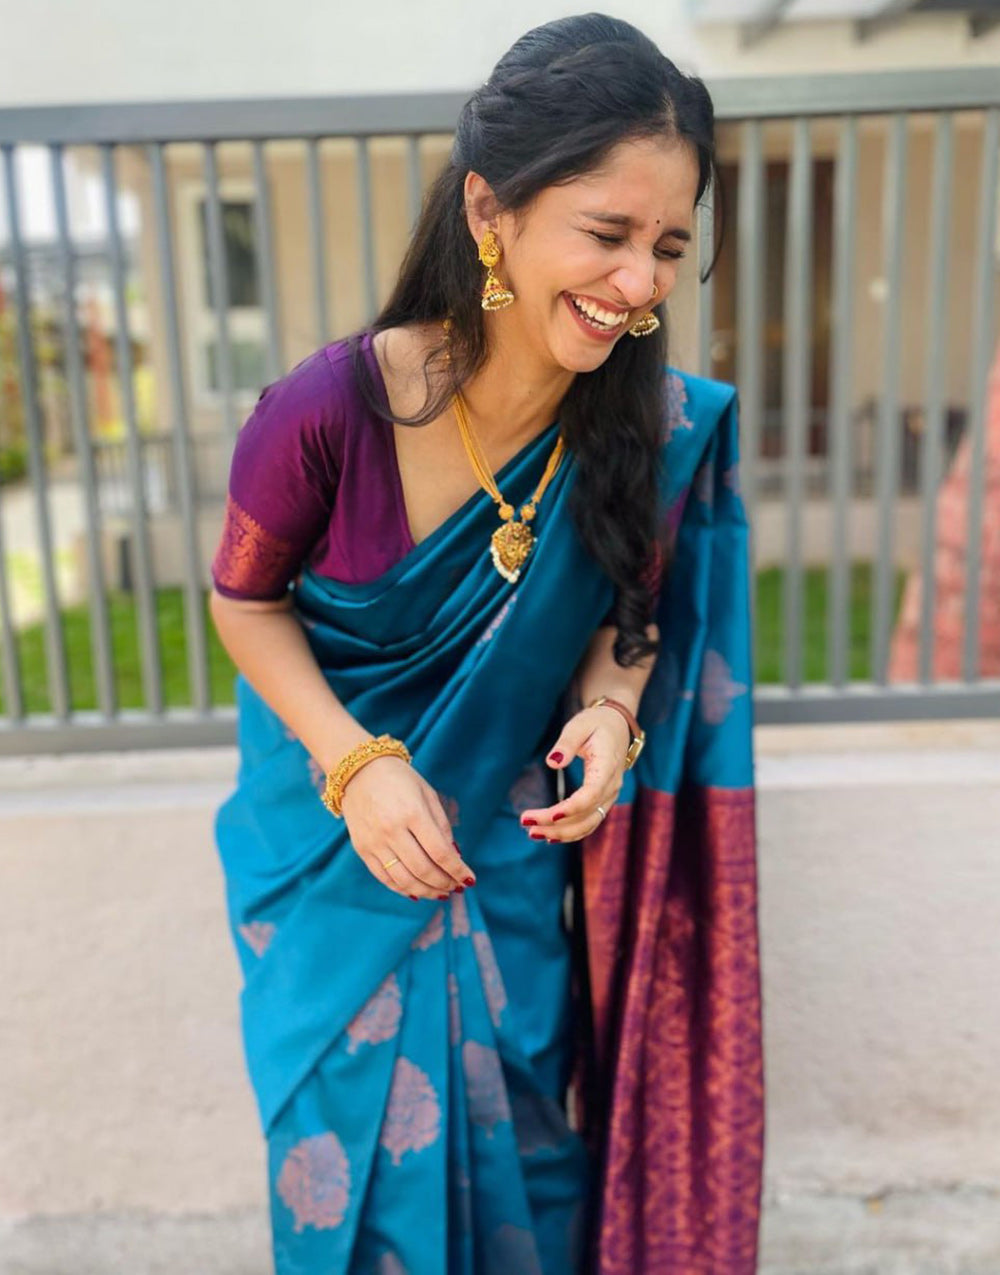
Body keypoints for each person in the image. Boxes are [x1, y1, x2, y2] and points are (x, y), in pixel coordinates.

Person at [209, 13, 764, 1274]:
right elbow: (243, 604)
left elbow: (630, 612)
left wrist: (614, 710)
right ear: (490, 208)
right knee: (343, 1175)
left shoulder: (641, 422)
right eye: (608, 234)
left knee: (531, 1151)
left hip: (500, 855)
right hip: (332, 855)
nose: (642, 284)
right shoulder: (325, 411)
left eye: (670, 246)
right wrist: (357, 765)